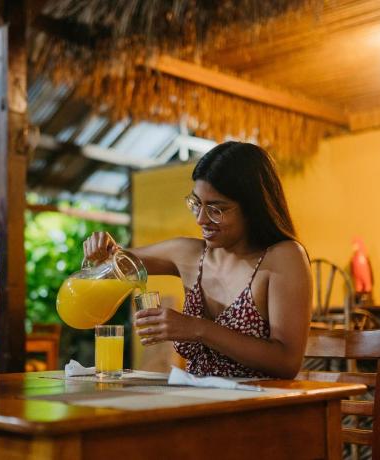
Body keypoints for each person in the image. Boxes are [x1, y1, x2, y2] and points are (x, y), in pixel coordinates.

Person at [83, 141, 312, 378]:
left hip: (258, 399)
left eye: (216, 209)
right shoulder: (189, 255)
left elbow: (287, 362)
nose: (201, 219)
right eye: (196, 204)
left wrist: (197, 328)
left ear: (253, 208)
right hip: (195, 396)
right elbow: (114, 261)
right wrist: (100, 249)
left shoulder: (282, 258)